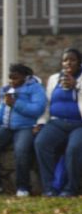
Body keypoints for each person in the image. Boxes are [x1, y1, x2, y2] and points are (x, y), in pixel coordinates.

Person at [0, 63, 46, 197]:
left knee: (21, 150)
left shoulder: (35, 88)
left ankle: (23, 187)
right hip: (6, 126)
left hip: (25, 127)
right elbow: (2, 108)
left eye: (15, 78)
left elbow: (37, 109)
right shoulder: (7, 89)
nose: (12, 81)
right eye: (10, 78)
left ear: (25, 77)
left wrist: (16, 103)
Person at [34, 48, 82, 197]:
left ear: (79, 62)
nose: (68, 63)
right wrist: (41, 122)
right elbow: (48, 104)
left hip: (78, 124)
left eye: (72, 59)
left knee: (73, 149)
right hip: (57, 122)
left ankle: (70, 188)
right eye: (65, 60)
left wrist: (77, 86)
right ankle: (49, 187)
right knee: (41, 143)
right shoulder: (54, 78)